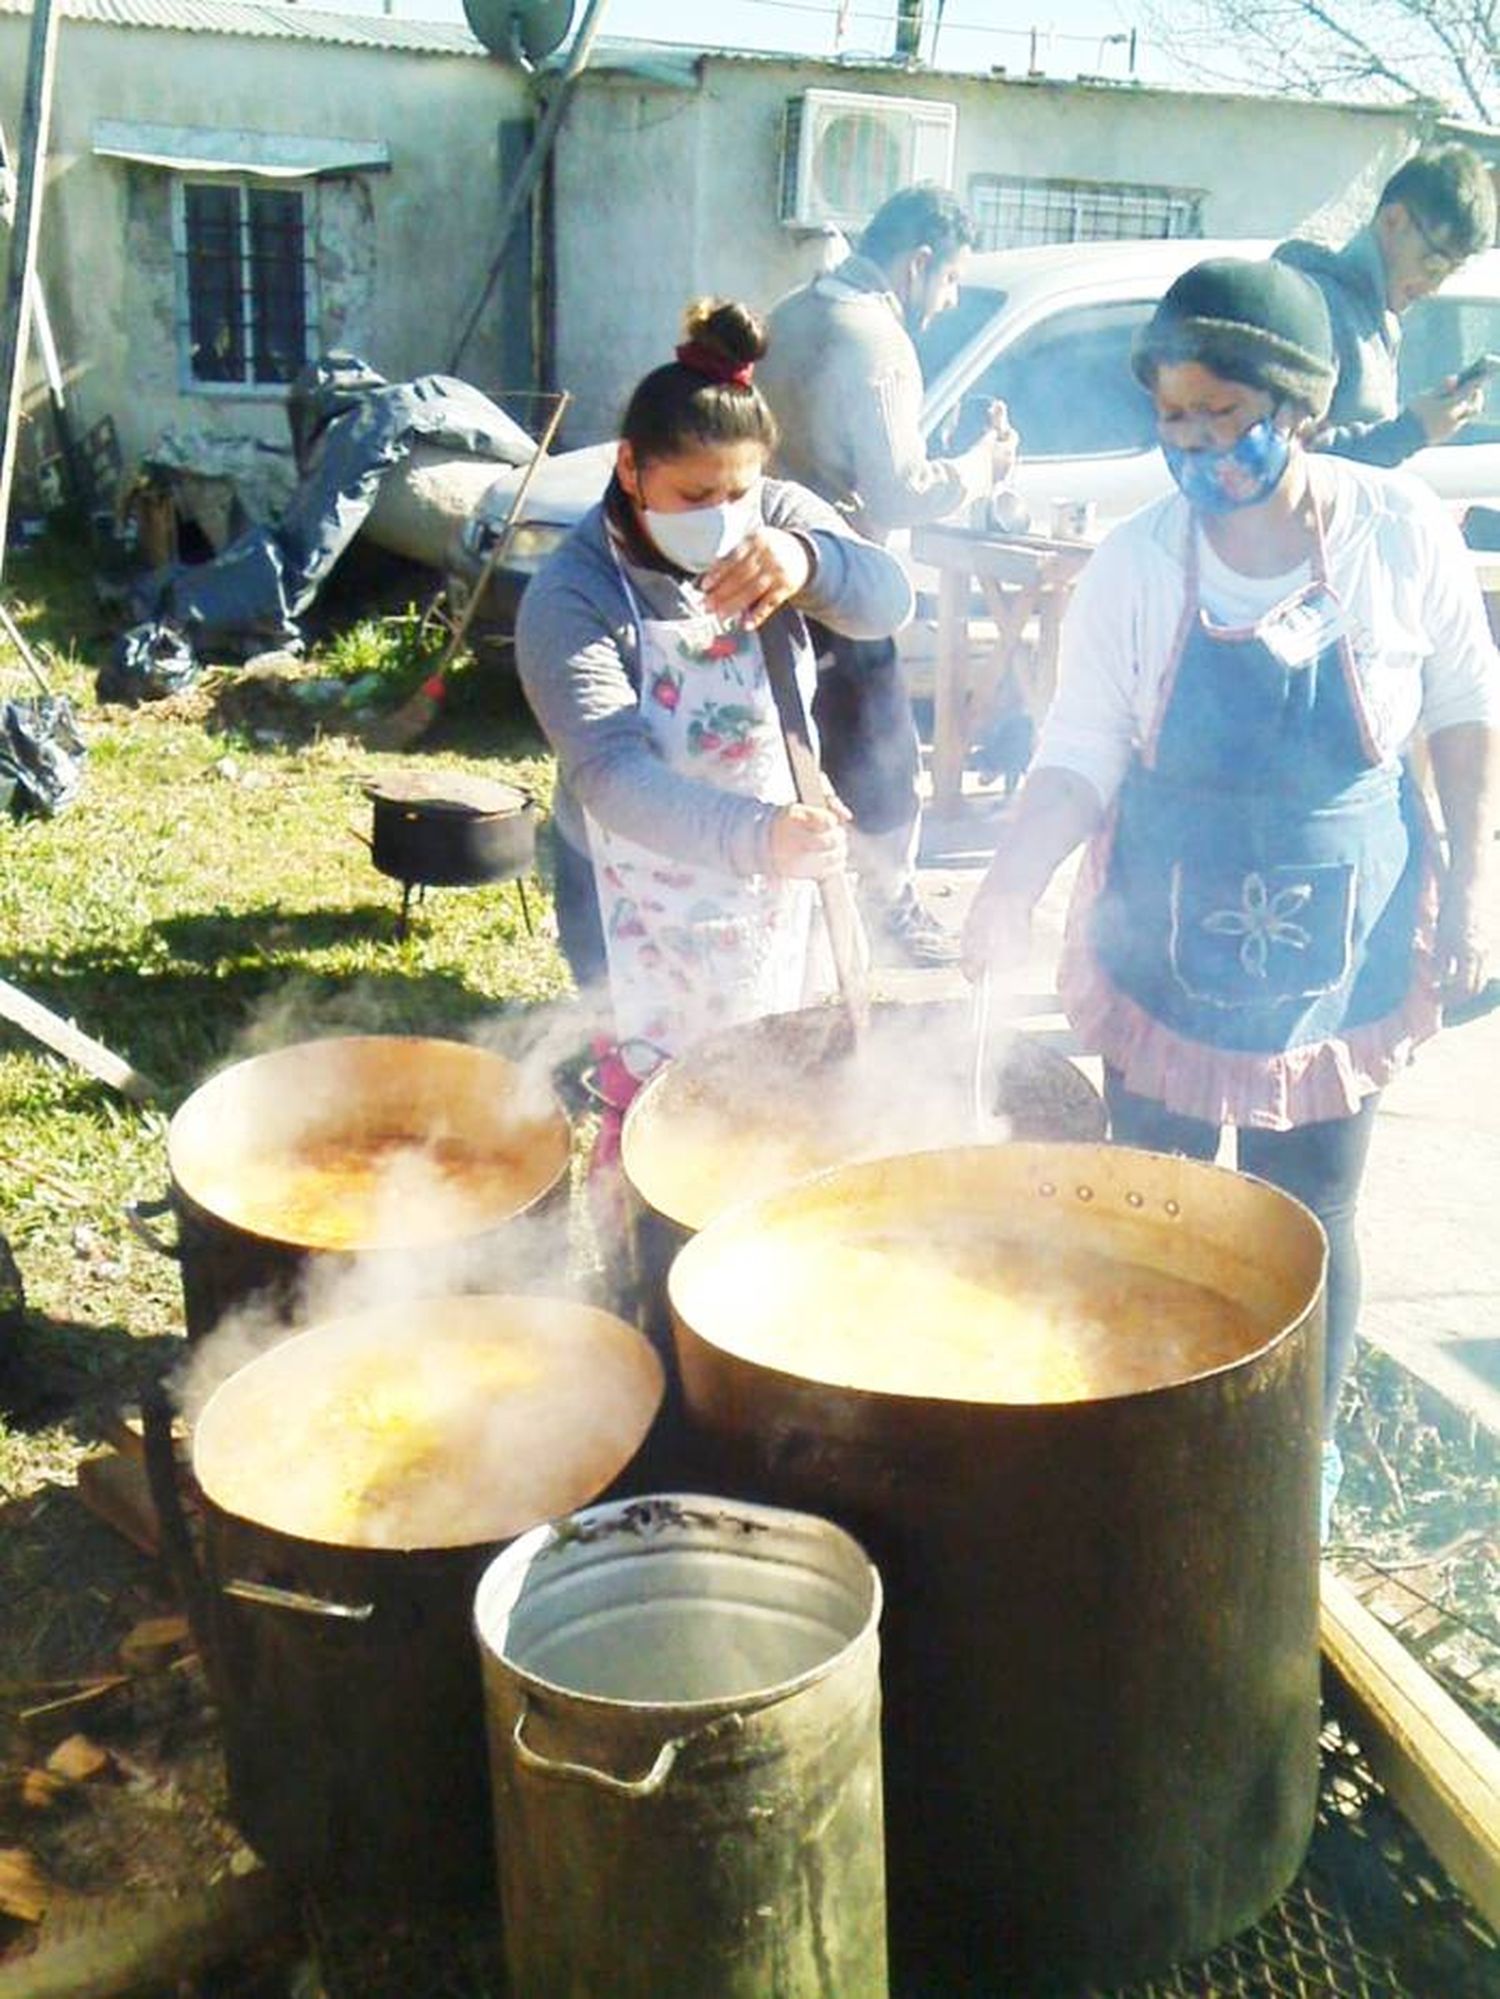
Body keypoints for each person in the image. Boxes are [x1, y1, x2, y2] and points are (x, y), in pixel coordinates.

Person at [961, 257, 1498, 1537]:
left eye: (1222, 412)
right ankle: (1143, 1420)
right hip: (1166, 929)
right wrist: (1010, 883)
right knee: (1152, 1199)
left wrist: (1476, 890)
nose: (1195, 444)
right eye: (1173, 418)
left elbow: (1465, 712)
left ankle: (1288, 1460)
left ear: (1298, 404)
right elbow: (1082, 749)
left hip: (1346, 942)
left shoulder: (1396, 529)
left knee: (1313, 1209)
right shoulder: (1139, 565)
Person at [516, 296, 913, 1099]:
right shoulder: (573, 593)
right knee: (656, 1108)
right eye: (695, 498)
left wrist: (809, 562)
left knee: (772, 1088)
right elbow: (609, 776)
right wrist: (759, 837)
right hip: (632, 892)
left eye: (740, 493)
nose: (724, 519)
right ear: (631, 469)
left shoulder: (771, 519)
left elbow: (887, 601)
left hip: (778, 873)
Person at [758, 183, 1019, 965]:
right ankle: (887, 914)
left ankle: (807, 915)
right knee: (879, 760)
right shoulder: (877, 339)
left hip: (767, 571)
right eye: (951, 279)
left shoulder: (792, 312)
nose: (950, 297)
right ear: (918, 263)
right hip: (843, 578)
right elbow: (899, 491)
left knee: (794, 749)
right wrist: (981, 464)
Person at [1275, 144, 1497, 467]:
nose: (1433, 288)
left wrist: (1421, 421)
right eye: (1432, 266)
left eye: (1448, 274)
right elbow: (1290, 463)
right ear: (1393, 220)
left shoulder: (1381, 320)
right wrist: (1412, 431)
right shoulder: (1317, 309)